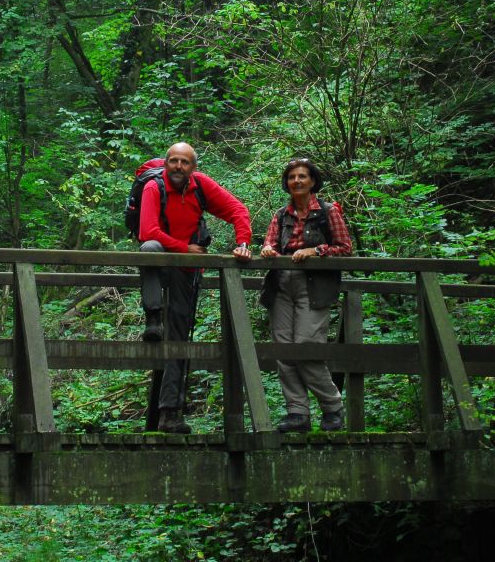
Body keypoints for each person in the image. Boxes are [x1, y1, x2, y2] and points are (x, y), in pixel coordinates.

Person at [138, 142, 253, 434]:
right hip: (161, 260)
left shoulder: (200, 186)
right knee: (149, 247)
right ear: (165, 164)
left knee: (179, 338)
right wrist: (184, 248)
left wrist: (242, 244)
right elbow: (147, 232)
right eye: (173, 161)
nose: (178, 166)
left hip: (186, 270)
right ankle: (152, 316)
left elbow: (238, 210)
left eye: (184, 162)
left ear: (193, 167)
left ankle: (169, 414)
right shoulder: (154, 187)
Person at [259, 158, 353, 433]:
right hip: (281, 285)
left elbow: (344, 248)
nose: (297, 181)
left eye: (302, 176)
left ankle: (332, 407)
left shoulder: (327, 212)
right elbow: (271, 242)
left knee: (306, 349)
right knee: (284, 350)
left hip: (313, 286)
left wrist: (316, 251)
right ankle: (297, 412)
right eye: (292, 177)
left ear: (313, 181)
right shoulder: (281, 215)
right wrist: (267, 250)